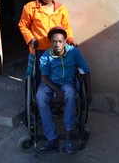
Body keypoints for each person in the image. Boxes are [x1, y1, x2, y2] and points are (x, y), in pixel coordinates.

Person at [35, 26, 92, 154]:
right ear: (51, 42)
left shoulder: (74, 52)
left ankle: (68, 135)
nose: (57, 44)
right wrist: (56, 90)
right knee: (40, 96)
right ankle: (52, 138)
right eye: (54, 41)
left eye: (60, 41)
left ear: (65, 41)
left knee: (70, 92)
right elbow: (44, 76)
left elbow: (86, 71)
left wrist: (88, 92)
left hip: (67, 82)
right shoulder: (46, 55)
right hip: (49, 83)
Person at [18, 0, 78, 77]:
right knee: (40, 74)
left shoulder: (61, 8)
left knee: (57, 73)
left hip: (57, 47)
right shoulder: (30, 7)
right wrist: (31, 39)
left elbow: (66, 27)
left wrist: (70, 39)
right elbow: (23, 25)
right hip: (39, 47)